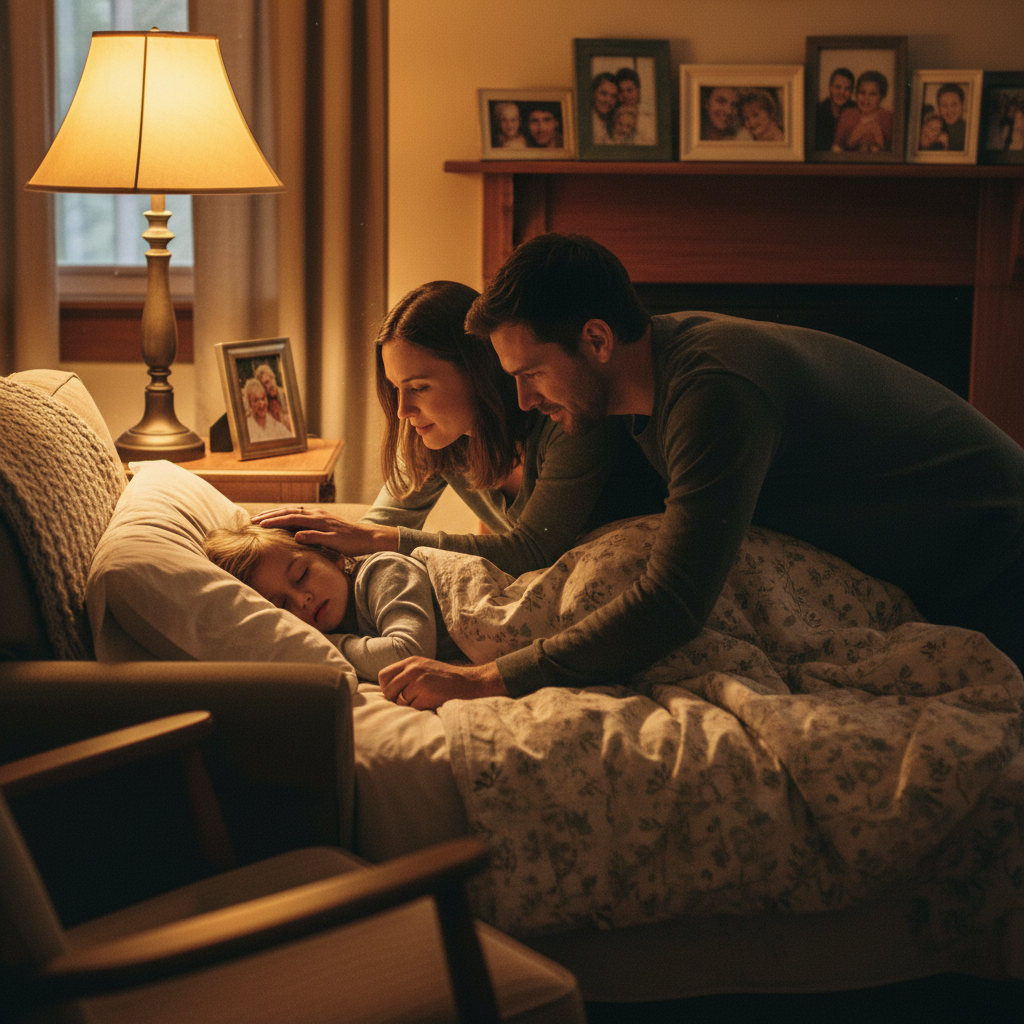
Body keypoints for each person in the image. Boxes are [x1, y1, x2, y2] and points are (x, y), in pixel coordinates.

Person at [375, 232, 1024, 710]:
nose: (523, 400)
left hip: (995, 547)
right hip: (931, 567)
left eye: (532, 374)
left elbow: (676, 598)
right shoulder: (644, 393)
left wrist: (488, 678)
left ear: (597, 341)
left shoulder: (715, 391)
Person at [251, 279, 666, 594]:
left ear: (477, 370)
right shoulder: (438, 440)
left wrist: (377, 538)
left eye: (419, 387)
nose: (403, 410)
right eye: (397, 389)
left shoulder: (567, 420)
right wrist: (298, 549)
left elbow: (532, 551)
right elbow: (383, 525)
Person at [204, 523, 456, 683]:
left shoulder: (383, 571)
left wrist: (312, 645)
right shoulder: (338, 625)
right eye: (281, 605)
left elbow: (409, 655)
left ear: (331, 555)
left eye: (302, 575)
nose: (302, 599)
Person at [832, 70, 893, 153]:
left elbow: (891, 149)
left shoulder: (887, 117)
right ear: (856, 94)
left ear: (881, 97)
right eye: (862, 92)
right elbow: (836, 146)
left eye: (872, 94)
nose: (866, 98)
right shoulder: (847, 114)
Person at [613, 66, 657, 145]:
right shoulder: (613, 119)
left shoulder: (651, 116)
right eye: (620, 91)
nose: (625, 95)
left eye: (629, 90)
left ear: (638, 92)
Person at [814, 68, 855, 151]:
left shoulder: (855, 110)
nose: (842, 92)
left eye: (847, 88)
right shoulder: (818, 111)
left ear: (851, 91)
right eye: (838, 87)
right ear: (830, 87)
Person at [242, 377, 293, 443]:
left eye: (263, 398)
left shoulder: (276, 425)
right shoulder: (247, 429)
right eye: (256, 400)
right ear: (249, 403)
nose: (261, 404)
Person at [255, 362, 293, 433]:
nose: (271, 384)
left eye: (272, 378)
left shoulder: (286, 395)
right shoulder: (262, 405)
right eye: (266, 382)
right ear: (262, 387)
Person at [936, 83, 967, 151]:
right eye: (944, 105)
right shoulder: (933, 130)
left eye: (954, 105)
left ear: (962, 105)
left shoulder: (969, 132)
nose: (949, 111)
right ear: (939, 108)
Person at [590, 71, 619, 143]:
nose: (608, 100)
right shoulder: (586, 122)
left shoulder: (611, 122)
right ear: (593, 93)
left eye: (613, 96)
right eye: (604, 93)